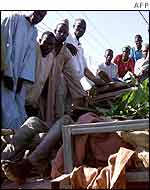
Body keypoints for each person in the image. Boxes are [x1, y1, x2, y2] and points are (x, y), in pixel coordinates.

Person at [1, 11, 47, 129]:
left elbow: (29, 57)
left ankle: (18, 137)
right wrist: (7, 73)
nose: (38, 17)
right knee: (6, 107)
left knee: (18, 108)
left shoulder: (34, 31)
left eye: (42, 16)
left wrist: (22, 78)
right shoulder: (14, 19)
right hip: (6, 73)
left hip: (19, 77)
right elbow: (5, 45)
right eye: (37, 13)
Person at [39, 19, 87, 123]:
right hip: (38, 85)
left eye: (65, 33)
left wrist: (82, 93)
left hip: (52, 87)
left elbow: (72, 74)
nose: (62, 34)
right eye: (60, 31)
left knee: (51, 114)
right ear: (55, 30)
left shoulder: (65, 51)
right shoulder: (47, 44)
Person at [65, 18, 105, 91]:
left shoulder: (81, 48)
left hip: (78, 81)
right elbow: (57, 39)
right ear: (73, 26)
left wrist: (98, 81)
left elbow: (85, 70)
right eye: (79, 26)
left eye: (83, 28)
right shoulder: (67, 36)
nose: (81, 30)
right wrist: (66, 45)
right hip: (66, 79)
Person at [25, 31, 56, 115]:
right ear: (40, 40)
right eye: (46, 43)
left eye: (51, 44)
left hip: (33, 100)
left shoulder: (51, 58)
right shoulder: (33, 49)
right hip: (21, 95)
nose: (48, 46)